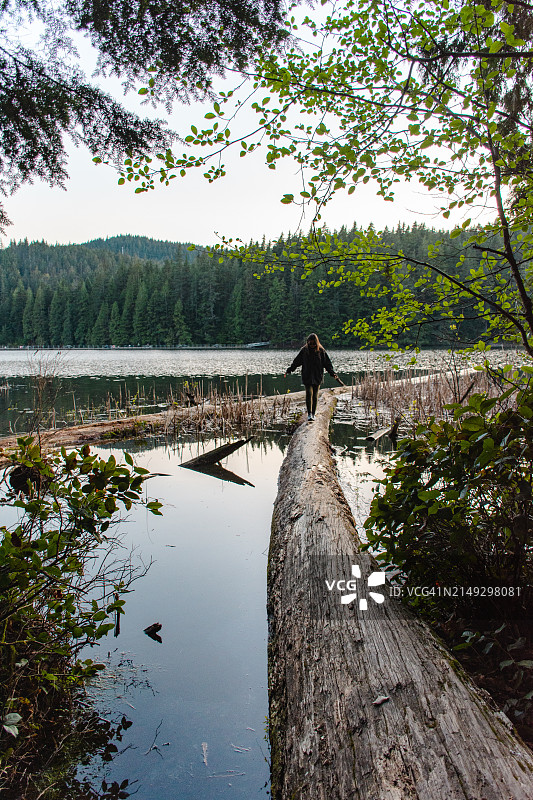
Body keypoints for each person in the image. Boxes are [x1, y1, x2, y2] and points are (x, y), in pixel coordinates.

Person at [284, 333, 338, 421]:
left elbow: (327, 364)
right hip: (307, 375)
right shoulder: (304, 351)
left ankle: (313, 413)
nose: (312, 345)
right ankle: (309, 414)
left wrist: (332, 373)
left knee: (315, 395)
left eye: (314, 343)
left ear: (316, 343)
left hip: (317, 376)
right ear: (308, 342)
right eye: (310, 343)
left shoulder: (321, 351)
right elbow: (296, 362)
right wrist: (290, 369)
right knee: (309, 393)